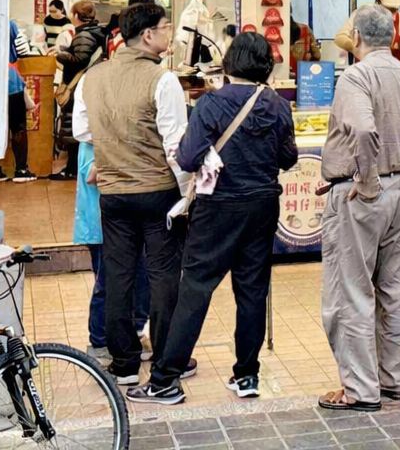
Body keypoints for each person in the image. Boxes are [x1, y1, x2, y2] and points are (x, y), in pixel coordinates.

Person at [128, 33, 299, 405]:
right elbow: (288, 159)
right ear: (266, 66)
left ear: (231, 62)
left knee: (196, 288)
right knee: (252, 291)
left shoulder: (211, 103)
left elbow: (189, 158)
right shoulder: (277, 105)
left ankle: (165, 380)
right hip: (262, 205)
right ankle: (247, 374)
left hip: (218, 206)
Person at [318, 5, 400, 412]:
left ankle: (360, 389)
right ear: (393, 38)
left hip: (364, 196)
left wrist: (366, 181)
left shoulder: (356, 76)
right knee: (394, 293)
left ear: (357, 37)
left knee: (351, 293)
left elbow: (364, 130)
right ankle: (395, 380)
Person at [73, 1, 191, 386]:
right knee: (163, 276)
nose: (170, 33)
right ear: (148, 34)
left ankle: (123, 362)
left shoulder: (93, 77)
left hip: (113, 192)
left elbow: (81, 131)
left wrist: (114, 142)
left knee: (118, 274)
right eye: (166, 27)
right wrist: (187, 194)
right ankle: (166, 360)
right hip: (158, 191)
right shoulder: (162, 79)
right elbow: (176, 145)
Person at [73, 119, 150, 366]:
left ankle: (135, 333)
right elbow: (92, 175)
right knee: (106, 283)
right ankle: (99, 341)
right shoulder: (89, 140)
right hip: (100, 226)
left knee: (137, 277)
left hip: (122, 223)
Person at [52, 1, 106, 182]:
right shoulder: (95, 32)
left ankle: (72, 169)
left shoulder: (84, 34)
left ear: (76, 16)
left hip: (78, 86)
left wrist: (60, 54)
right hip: (87, 84)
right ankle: (72, 168)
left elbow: (80, 58)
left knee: (74, 126)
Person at [0, 20, 36, 183]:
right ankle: (21, 170)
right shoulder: (9, 23)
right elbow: (23, 50)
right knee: (18, 127)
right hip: (11, 82)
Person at [334, 0, 400, 62]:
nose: (390, 14)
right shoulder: (363, 15)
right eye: (387, 9)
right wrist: (355, 49)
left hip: (388, 66)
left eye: (394, 10)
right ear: (378, 2)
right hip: (364, 66)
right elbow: (340, 37)